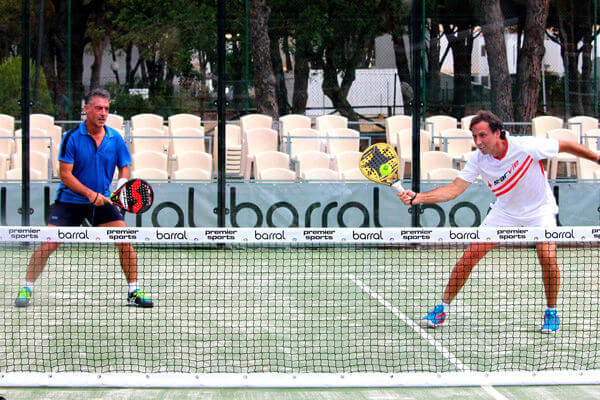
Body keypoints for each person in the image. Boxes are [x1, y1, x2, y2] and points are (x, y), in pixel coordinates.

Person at [397, 110, 600, 333]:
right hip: (504, 214)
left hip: (539, 210)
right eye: (474, 136)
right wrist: (418, 198)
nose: (478, 141)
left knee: (547, 257)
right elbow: (454, 189)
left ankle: (551, 312)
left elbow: (566, 146)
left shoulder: (525, 146)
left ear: (498, 133)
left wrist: (598, 159)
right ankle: (442, 308)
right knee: (469, 257)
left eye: (483, 135)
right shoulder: (478, 159)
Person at [14, 88, 153, 308]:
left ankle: (133, 290)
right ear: (86, 109)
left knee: (125, 241)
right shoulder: (72, 138)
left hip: (103, 202)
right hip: (70, 202)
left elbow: (124, 167)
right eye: (98, 108)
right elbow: (65, 175)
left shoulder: (115, 138)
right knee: (48, 244)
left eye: (106, 109)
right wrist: (89, 194)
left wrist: (121, 186)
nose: (103, 113)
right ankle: (26, 287)